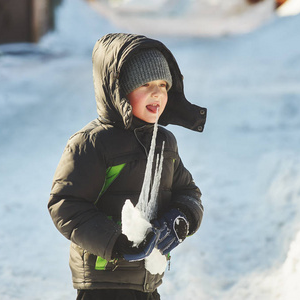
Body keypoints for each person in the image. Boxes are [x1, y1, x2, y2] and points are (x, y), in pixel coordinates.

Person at [48, 33, 206, 300]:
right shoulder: (93, 143)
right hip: (103, 282)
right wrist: (117, 243)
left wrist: (182, 218)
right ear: (119, 90)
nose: (157, 92)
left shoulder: (164, 143)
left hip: (147, 283)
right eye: (145, 84)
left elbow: (189, 192)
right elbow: (66, 205)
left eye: (163, 85)